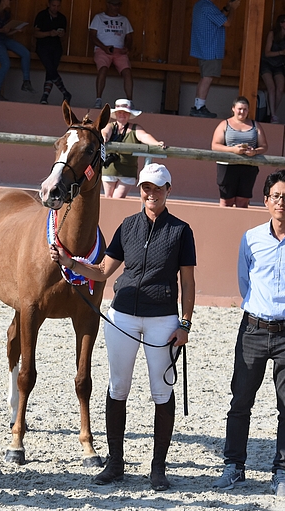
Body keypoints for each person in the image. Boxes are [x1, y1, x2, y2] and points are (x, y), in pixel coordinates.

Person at [49, 163, 195, 491]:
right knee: (118, 388)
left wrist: (185, 324)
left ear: (168, 190)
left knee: (162, 392)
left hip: (163, 319)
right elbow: (102, 271)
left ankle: (158, 467)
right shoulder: (128, 226)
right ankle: (116, 463)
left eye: (157, 188)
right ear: (140, 190)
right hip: (122, 316)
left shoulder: (182, 231)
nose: (151, 193)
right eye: (146, 187)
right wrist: (70, 263)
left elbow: (188, 281)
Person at [213, 170, 285, 497]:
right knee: (240, 401)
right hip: (253, 329)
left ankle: (282, 472)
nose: (281, 201)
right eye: (275, 196)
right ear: (265, 200)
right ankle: (234, 467)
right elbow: (244, 282)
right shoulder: (250, 238)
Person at [189, 0, 241, 118]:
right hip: (210, 49)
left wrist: (227, 7)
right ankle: (199, 108)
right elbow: (227, 22)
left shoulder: (200, 5)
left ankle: (198, 105)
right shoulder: (208, 7)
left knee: (204, 77)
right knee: (207, 78)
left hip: (203, 49)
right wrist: (234, 9)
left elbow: (218, 17)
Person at [101, 99, 167, 198]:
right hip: (109, 169)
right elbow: (105, 132)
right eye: (119, 112)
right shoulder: (110, 126)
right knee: (108, 197)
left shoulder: (135, 128)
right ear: (116, 113)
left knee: (117, 198)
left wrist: (156, 143)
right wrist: (104, 137)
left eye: (125, 112)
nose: (122, 115)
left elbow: (144, 136)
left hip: (128, 171)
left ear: (129, 114)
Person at [210, 96, 268, 208]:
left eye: (245, 109)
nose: (242, 112)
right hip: (227, 166)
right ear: (233, 109)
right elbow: (215, 145)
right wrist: (233, 150)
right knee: (226, 201)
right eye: (239, 109)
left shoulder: (255, 125)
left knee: (243, 201)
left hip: (248, 167)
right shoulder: (224, 124)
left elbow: (264, 146)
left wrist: (254, 152)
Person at [89, 0, 134, 109]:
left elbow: (129, 37)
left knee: (127, 72)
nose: (117, 7)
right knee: (103, 69)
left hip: (120, 51)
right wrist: (104, 47)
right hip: (103, 49)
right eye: (114, 5)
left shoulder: (124, 20)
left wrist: (126, 47)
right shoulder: (99, 18)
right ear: (108, 5)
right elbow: (92, 36)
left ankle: (130, 101)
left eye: (118, 5)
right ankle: (98, 99)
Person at [33, 0, 72, 106]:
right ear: (49, 4)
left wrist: (60, 34)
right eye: (53, 5)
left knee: (51, 71)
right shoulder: (41, 15)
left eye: (58, 6)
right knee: (51, 69)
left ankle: (45, 96)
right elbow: (35, 33)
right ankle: (65, 92)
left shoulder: (62, 18)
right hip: (43, 46)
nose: (55, 8)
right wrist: (49, 33)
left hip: (56, 47)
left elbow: (64, 35)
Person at [259, 14, 285, 124]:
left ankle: (272, 112)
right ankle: (273, 114)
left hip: (279, 64)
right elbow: (267, 53)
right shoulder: (272, 34)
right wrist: (281, 52)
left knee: (280, 89)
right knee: (271, 87)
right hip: (267, 63)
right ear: (281, 23)